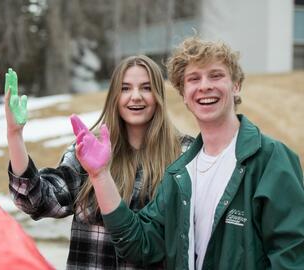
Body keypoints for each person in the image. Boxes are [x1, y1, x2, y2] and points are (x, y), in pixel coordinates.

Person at [70, 37, 304, 270]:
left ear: (236, 85)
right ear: (183, 94)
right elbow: (139, 243)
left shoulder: (271, 160)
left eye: (216, 75)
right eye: (194, 79)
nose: (204, 86)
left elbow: (291, 257)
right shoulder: (180, 174)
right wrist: (100, 175)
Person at [4, 55, 194, 269]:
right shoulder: (89, 151)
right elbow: (37, 201)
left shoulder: (184, 153)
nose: (136, 96)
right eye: (125, 88)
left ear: (159, 94)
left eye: (146, 88)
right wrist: (15, 135)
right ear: (114, 96)